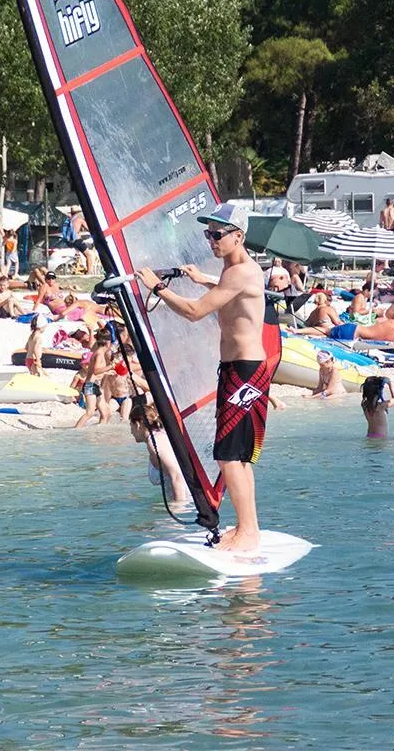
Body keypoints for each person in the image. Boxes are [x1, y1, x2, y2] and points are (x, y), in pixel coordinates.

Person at [138, 203, 277, 553]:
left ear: (238, 236)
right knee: (237, 456)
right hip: (237, 370)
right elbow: (234, 290)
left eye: (217, 235)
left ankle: (248, 532)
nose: (211, 241)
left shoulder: (241, 272)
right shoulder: (239, 272)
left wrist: (157, 288)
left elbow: (195, 311)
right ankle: (249, 527)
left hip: (245, 370)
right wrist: (204, 278)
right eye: (207, 234)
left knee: (229, 456)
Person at [74, 328, 116, 428]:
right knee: (90, 412)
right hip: (90, 385)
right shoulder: (99, 354)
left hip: (94, 385)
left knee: (106, 413)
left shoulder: (98, 351)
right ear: (107, 343)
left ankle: (99, 431)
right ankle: (75, 431)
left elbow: (95, 371)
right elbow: (96, 371)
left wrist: (107, 372)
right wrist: (110, 366)